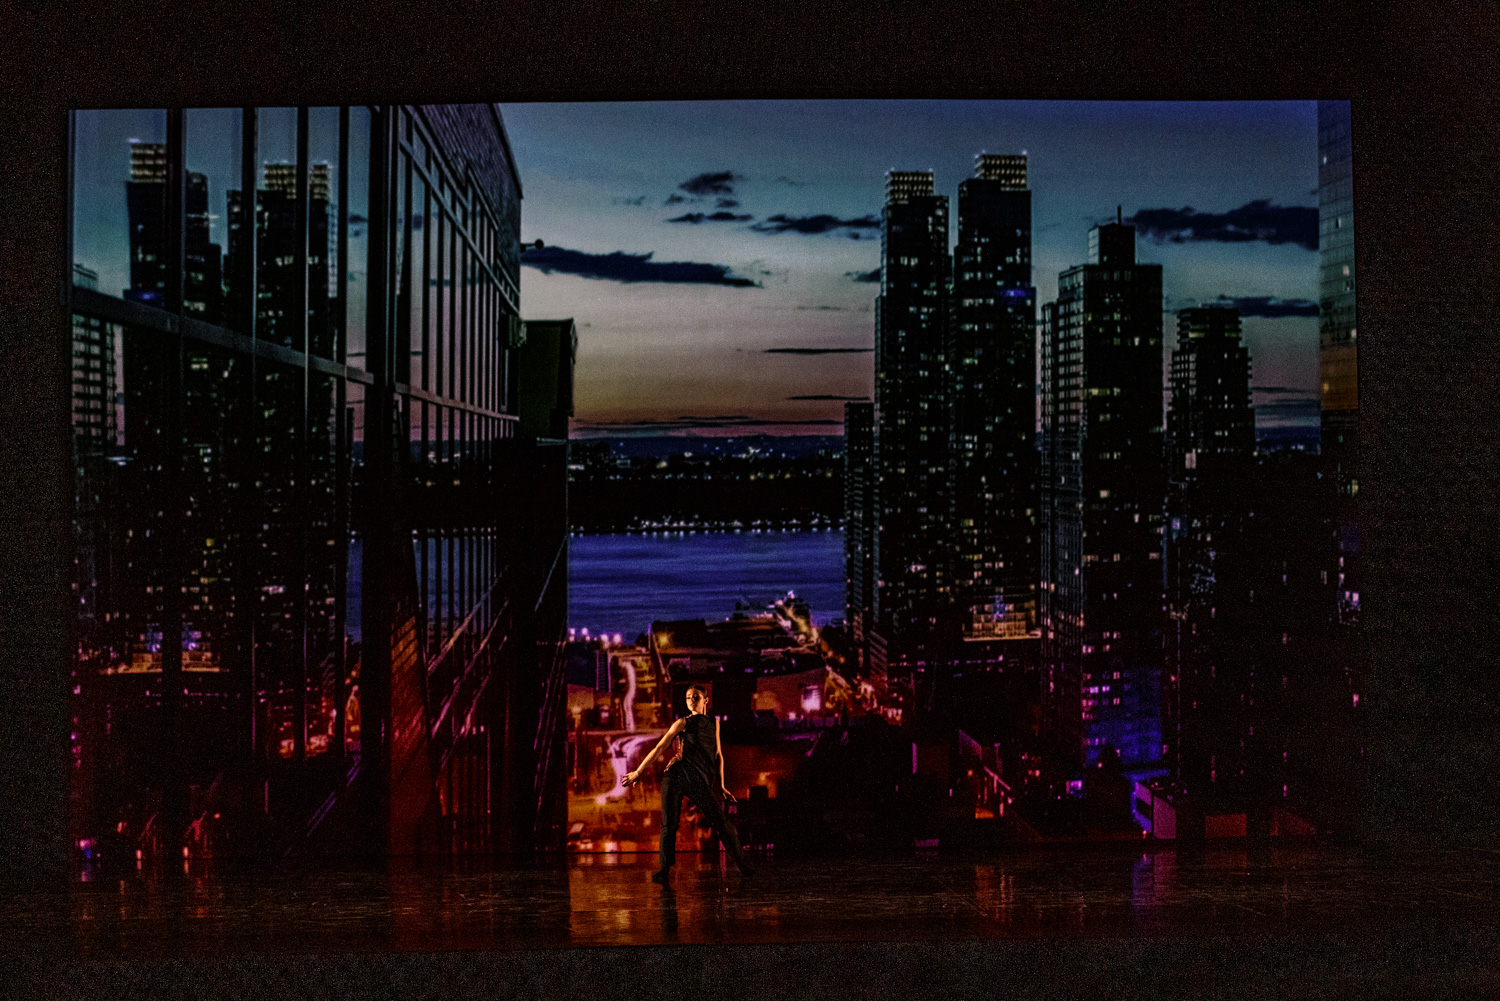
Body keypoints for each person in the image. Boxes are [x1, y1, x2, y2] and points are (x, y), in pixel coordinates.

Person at [623, 684, 753, 884]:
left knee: (722, 823)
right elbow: (660, 746)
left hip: (700, 781)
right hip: (676, 776)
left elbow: (718, 754)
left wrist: (721, 785)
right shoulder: (683, 722)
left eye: (695, 697)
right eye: (688, 697)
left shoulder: (714, 723)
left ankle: (742, 865)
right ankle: (664, 870)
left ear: (705, 700)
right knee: (669, 825)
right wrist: (638, 771)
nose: (691, 700)